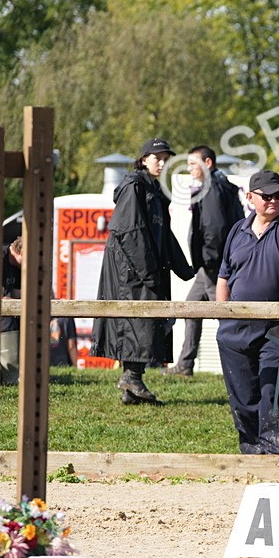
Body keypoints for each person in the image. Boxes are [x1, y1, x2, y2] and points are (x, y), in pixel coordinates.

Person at [216, 170, 279, 454]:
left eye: (278, 195)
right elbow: (223, 277)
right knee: (241, 395)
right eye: (267, 196)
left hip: (277, 327)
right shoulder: (237, 230)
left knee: (270, 392)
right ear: (251, 198)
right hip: (234, 329)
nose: (274, 200)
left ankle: (274, 450)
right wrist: (222, 315)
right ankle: (250, 450)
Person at [91, 137, 195, 404]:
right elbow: (129, 232)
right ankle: (132, 379)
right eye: (156, 158)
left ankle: (131, 386)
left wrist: (184, 268)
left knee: (144, 324)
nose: (161, 163)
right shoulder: (134, 186)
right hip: (130, 271)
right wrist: (148, 274)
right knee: (139, 322)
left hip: (144, 268)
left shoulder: (154, 190)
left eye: (165, 159)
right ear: (143, 159)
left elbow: (164, 235)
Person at [165, 145, 245, 377]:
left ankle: (236, 367)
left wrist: (211, 263)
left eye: (193, 164)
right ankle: (185, 364)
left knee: (226, 318)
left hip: (214, 267)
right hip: (212, 266)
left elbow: (214, 229)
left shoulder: (211, 188)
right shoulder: (221, 186)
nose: (189, 168)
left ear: (208, 163)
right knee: (191, 309)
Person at [0, 236, 24, 385]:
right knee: (9, 319)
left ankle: (12, 377)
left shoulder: (17, 267)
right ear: (21, 252)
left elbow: (16, 295)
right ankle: (10, 379)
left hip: (6, 320)